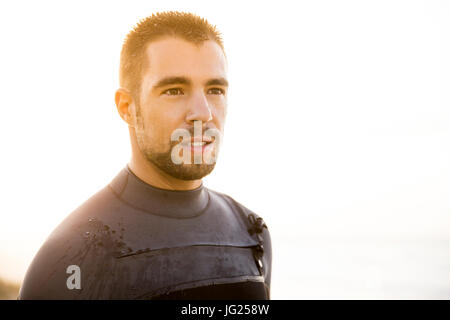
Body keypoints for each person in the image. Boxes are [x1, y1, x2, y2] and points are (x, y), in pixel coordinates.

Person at [18, 11, 272, 300]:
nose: (203, 113)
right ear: (127, 106)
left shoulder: (252, 233)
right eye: (174, 90)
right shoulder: (73, 254)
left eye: (215, 90)